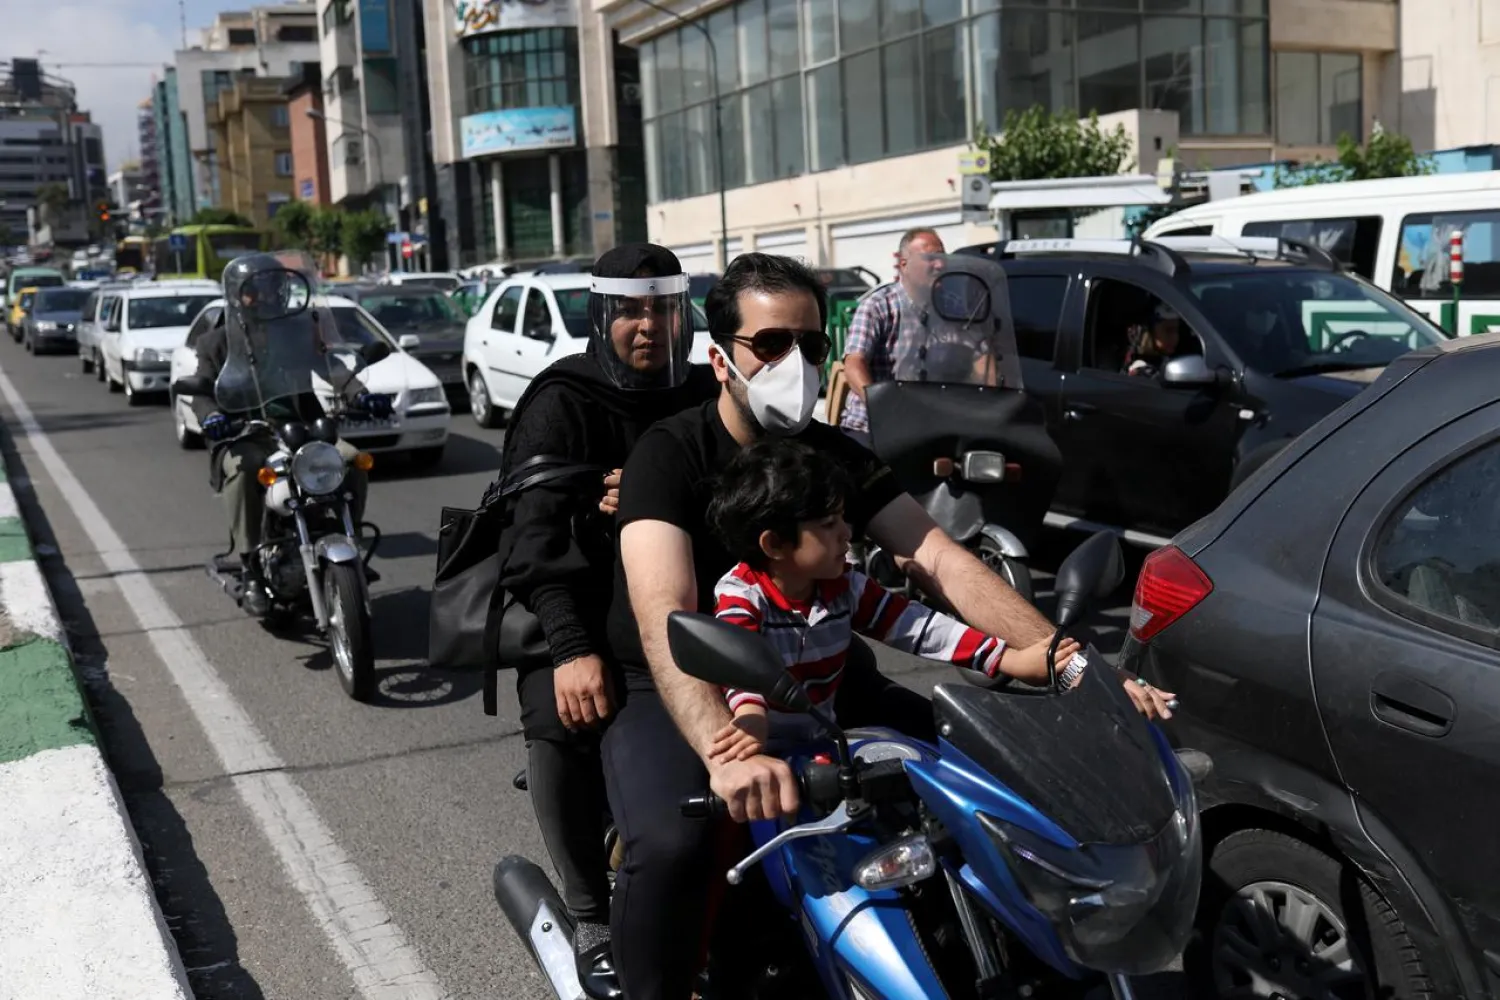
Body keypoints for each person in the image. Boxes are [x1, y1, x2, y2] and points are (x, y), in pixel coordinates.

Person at [602, 252, 1178, 1000]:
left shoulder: (833, 457)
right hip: (685, 686)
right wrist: (724, 752)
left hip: (823, 679)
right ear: (720, 359)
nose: (795, 364)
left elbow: (937, 559)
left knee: (988, 775)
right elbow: (665, 614)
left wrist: (1067, 660)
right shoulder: (668, 454)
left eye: (810, 344)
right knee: (675, 842)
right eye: (770, 345)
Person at [493, 243, 717, 995]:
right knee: (559, 720)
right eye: (629, 311)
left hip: (689, 609)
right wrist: (568, 646)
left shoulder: (703, 391)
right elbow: (529, 541)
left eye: (662, 309)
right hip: (584, 612)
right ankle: (589, 910)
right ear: (602, 315)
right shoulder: (564, 399)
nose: (648, 325)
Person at [705, 439, 1085, 762]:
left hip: (822, 744)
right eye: (828, 525)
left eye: (843, 519)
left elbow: (920, 627)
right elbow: (739, 662)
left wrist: (1008, 659)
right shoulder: (741, 594)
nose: (847, 533)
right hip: (755, 752)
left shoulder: (845, 586)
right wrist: (750, 714)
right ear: (774, 544)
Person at [192, 252, 388, 616]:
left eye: (273, 287)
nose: (266, 296)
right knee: (244, 470)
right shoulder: (216, 342)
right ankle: (251, 566)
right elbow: (202, 389)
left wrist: (360, 394)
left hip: (301, 427)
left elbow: (331, 367)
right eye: (256, 289)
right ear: (238, 294)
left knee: (351, 460)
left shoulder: (297, 331)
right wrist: (212, 416)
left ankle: (349, 540)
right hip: (245, 433)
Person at [838, 227, 946, 440]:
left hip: (932, 425)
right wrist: (880, 406)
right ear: (904, 265)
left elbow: (978, 355)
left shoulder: (952, 307)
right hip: (873, 427)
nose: (940, 265)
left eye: (942, 257)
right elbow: (854, 363)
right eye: (930, 258)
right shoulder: (877, 306)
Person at [1125, 301, 1183, 377]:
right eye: (1168, 330)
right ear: (1149, 332)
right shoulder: (1141, 372)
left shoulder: (1164, 361)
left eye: (1177, 330)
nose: (1175, 337)